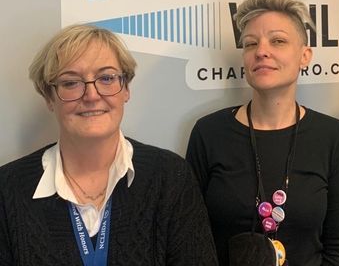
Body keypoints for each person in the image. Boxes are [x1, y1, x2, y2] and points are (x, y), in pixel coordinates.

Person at [0, 24, 218, 265]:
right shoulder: (6, 189)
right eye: (71, 82)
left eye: (106, 78)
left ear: (125, 89)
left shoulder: (170, 177)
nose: (92, 95)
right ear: (49, 97)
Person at [186, 0, 339, 266]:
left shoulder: (333, 137)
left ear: (305, 56)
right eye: (251, 44)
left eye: (277, 41)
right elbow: (191, 240)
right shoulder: (209, 133)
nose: (261, 51)